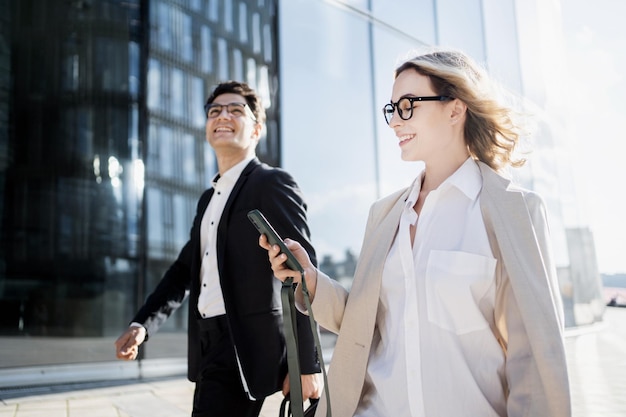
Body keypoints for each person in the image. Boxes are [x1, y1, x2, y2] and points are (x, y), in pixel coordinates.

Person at [260, 49, 571, 417]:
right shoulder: (385, 214)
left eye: (407, 105)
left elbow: (535, 356)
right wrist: (309, 280)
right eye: (392, 109)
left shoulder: (515, 211)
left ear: (455, 109)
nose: (395, 121)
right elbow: (365, 323)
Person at [115, 81, 321, 417]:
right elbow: (183, 271)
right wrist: (143, 324)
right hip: (207, 343)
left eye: (235, 110)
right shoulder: (208, 200)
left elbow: (303, 270)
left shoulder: (271, 183)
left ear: (256, 129)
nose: (223, 115)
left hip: (245, 343)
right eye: (215, 111)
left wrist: (307, 363)